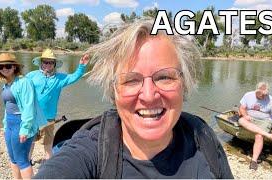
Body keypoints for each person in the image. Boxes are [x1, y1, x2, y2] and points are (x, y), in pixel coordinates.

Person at [34, 19, 233, 179]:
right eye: (131, 80)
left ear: (184, 84)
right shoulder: (90, 151)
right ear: (114, 92)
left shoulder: (203, 138)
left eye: (164, 77)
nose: (148, 96)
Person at [0, 53, 46, 179]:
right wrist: (5, 125)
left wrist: (25, 129)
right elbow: (7, 106)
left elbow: (28, 108)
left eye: (8, 66)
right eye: (1, 67)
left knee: (22, 160)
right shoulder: (7, 84)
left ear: (14, 67)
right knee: (13, 158)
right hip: (10, 124)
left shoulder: (24, 82)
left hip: (20, 123)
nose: (4, 69)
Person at [26, 48, 90, 160]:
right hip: (32, 116)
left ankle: (48, 166)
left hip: (48, 119)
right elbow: (20, 90)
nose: (48, 64)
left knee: (48, 145)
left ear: (54, 64)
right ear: (41, 62)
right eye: (45, 62)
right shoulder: (31, 76)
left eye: (51, 62)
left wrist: (82, 66)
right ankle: (28, 161)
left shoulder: (59, 79)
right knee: (30, 142)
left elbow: (74, 77)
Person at [238, 82, 272, 170]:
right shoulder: (248, 95)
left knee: (259, 135)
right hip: (250, 119)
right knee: (241, 120)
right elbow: (241, 108)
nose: (263, 97)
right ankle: (268, 135)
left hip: (264, 121)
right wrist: (245, 115)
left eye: (265, 95)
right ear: (256, 91)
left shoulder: (271, 100)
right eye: (260, 95)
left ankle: (254, 160)